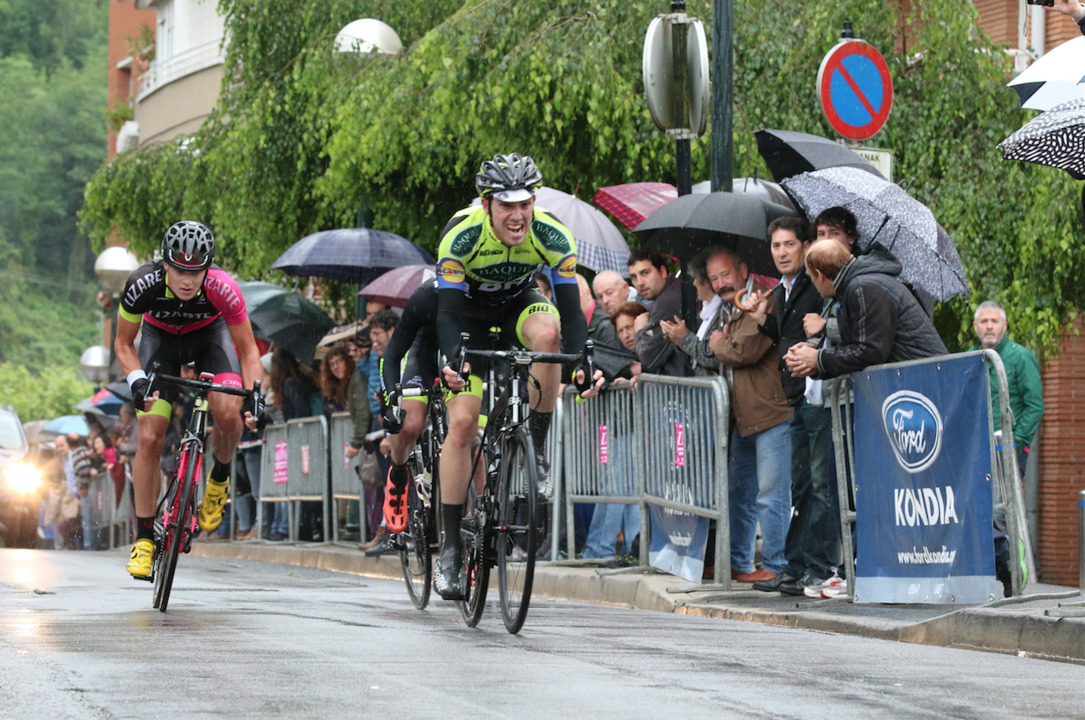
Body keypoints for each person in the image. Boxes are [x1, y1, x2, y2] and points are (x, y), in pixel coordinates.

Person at [434, 152, 587, 600]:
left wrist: (581, 361)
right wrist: (454, 360)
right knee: (464, 424)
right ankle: (450, 549)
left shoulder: (552, 233)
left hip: (517, 303)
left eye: (525, 204)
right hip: (466, 316)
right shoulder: (460, 236)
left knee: (549, 335)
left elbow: (571, 310)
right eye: (506, 205)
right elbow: (446, 313)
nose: (517, 215)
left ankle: (534, 447)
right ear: (487, 205)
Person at [115, 221, 265, 578]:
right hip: (160, 344)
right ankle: (144, 539)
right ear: (165, 264)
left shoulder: (223, 287)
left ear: (207, 268)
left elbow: (248, 351)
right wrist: (137, 381)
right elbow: (123, 343)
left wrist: (255, 397)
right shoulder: (142, 283)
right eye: (179, 270)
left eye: (195, 272)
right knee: (150, 437)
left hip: (210, 340)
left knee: (228, 410)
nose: (187, 280)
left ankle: (220, 475)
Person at [743, 217, 842, 596]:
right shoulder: (783, 289)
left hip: (817, 392)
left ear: (805, 246)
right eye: (776, 245)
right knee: (801, 487)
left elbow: (818, 333)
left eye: (789, 244)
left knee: (818, 487)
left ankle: (818, 567)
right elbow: (789, 335)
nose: (782, 252)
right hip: (796, 394)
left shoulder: (815, 283)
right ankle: (796, 566)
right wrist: (763, 321)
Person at [706, 248, 793, 583]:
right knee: (739, 495)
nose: (720, 284)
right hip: (743, 415)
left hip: (771, 411)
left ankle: (775, 564)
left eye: (725, 275)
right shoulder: (732, 307)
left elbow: (744, 351)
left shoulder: (765, 299)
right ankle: (738, 563)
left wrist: (718, 341)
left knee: (771, 494)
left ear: (743, 270)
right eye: (713, 279)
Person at [784, 240, 948, 379]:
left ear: (819, 275)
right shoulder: (855, 286)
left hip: (928, 379)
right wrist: (814, 361)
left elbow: (870, 351)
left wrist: (819, 358)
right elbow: (855, 348)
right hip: (917, 377)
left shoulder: (863, 287)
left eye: (811, 277)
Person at [972, 300, 1045, 595]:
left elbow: (1034, 405)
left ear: (1005, 325)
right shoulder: (970, 357)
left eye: (995, 321)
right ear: (975, 327)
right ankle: (1007, 572)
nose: (989, 326)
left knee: (1003, 514)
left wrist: (1015, 443)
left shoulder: (1019, 357)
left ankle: (1020, 572)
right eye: (984, 321)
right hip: (975, 451)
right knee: (983, 513)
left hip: (1007, 450)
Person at [660, 248, 724, 376]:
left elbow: (712, 358)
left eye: (695, 278)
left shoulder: (722, 313)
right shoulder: (705, 312)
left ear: (707, 282)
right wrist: (677, 337)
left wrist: (684, 338)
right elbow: (695, 356)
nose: (693, 283)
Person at [627, 248, 691, 377]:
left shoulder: (666, 303)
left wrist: (639, 331)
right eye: (634, 277)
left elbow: (648, 358)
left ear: (662, 272)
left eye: (645, 273)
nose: (640, 282)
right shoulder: (677, 288)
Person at [576, 274, 638, 380]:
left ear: (625, 289)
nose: (605, 301)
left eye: (609, 293)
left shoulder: (645, 311)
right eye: (600, 296)